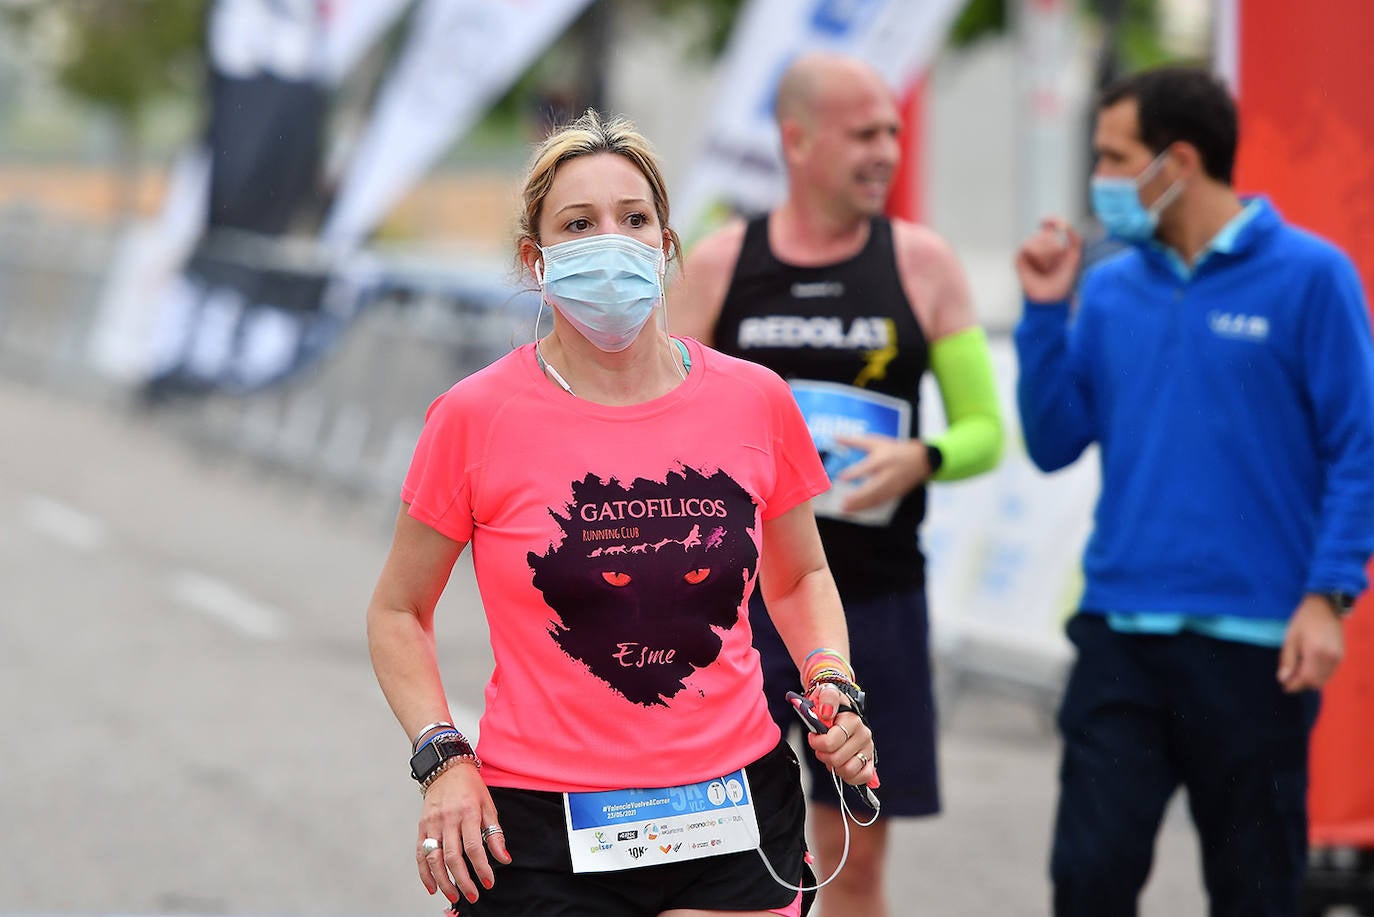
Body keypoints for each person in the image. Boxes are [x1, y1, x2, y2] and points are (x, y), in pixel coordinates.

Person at [365, 109, 881, 917]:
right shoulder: (475, 416)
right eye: (580, 223)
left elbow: (802, 572)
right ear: (538, 261)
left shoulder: (754, 400)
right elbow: (399, 609)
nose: (612, 239)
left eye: (634, 218)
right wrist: (444, 758)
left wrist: (832, 682)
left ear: (666, 243)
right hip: (539, 824)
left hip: (732, 811)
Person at [1014, 66, 1374, 917]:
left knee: (1255, 894)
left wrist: (1328, 597)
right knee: (1088, 878)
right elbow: (1055, 440)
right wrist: (1040, 313)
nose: (1099, 177)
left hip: (1256, 646)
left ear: (1177, 160)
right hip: (1119, 633)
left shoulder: (1312, 276)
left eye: (1113, 155)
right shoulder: (1106, 285)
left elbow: (1358, 448)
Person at [672, 53, 1004, 916]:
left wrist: (922, 457)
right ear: (798, 140)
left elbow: (985, 429)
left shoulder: (922, 263)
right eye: (865, 133)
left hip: (873, 604)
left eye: (893, 130)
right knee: (718, 865)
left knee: (851, 866)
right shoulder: (720, 263)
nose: (887, 150)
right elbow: (659, 419)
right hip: (736, 609)